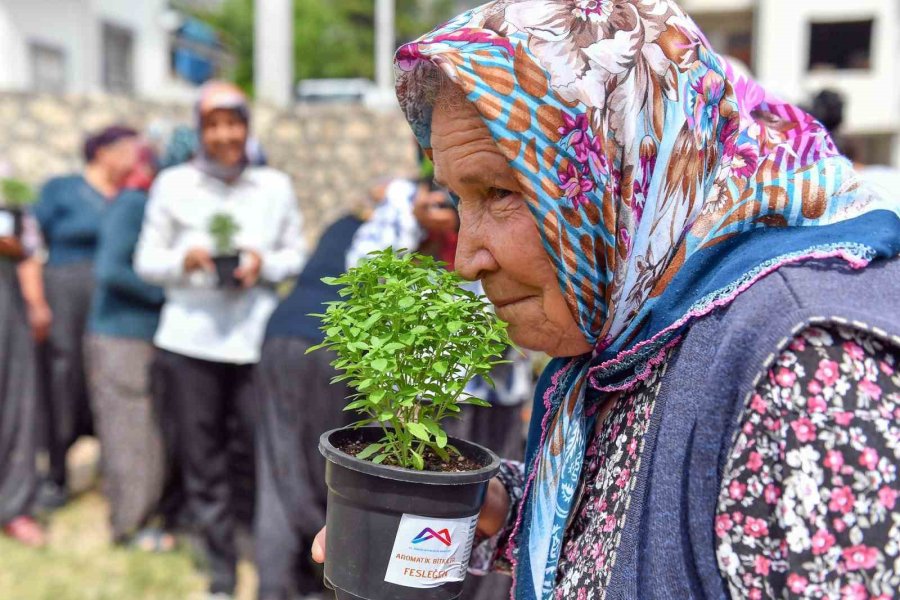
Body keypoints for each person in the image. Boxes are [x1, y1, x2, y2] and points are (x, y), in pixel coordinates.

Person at [313, 2, 900, 598]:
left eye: (500, 191)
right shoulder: (646, 325)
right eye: (460, 200)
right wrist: (506, 508)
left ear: (623, 167)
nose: (467, 258)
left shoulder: (809, 364)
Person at [136, 81, 305, 600]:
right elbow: (145, 262)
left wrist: (265, 263)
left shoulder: (273, 186)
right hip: (191, 342)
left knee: (255, 453)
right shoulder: (173, 185)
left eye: (234, 123)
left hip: (255, 341)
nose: (226, 134)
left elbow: (296, 253)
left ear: (248, 127)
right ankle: (220, 570)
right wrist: (183, 264)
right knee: (202, 457)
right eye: (214, 125)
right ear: (200, 130)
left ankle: (263, 554)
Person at [254, 208, 368, 600]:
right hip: (334, 343)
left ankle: (276, 587)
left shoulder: (344, 222)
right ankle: (323, 581)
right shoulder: (403, 229)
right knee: (336, 472)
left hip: (281, 332)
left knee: (277, 466)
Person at [25, 125, 140, 508]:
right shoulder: (63, 188)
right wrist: (36, 300)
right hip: (63, 297)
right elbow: (28, 239)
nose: (135, 157)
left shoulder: (129, 196)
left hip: (111, 304)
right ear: (103, 151)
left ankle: (115, 474)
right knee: (62, 380)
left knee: (107, 384)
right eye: (127, 149)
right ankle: (55, 475)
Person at [84, 142, 175, 550]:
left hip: (137, 337)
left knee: (141, 430)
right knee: (130, 432)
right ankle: (130, 526)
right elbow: (110, 270)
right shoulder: (134, 203)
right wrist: (167, 295)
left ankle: (138, 517)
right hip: (121, 337)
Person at [0, 197, 45, 547]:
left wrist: (36, 303)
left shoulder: (10, 202)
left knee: (15, 405)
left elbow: (29, 253)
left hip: (6, 309)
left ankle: (14, 507)